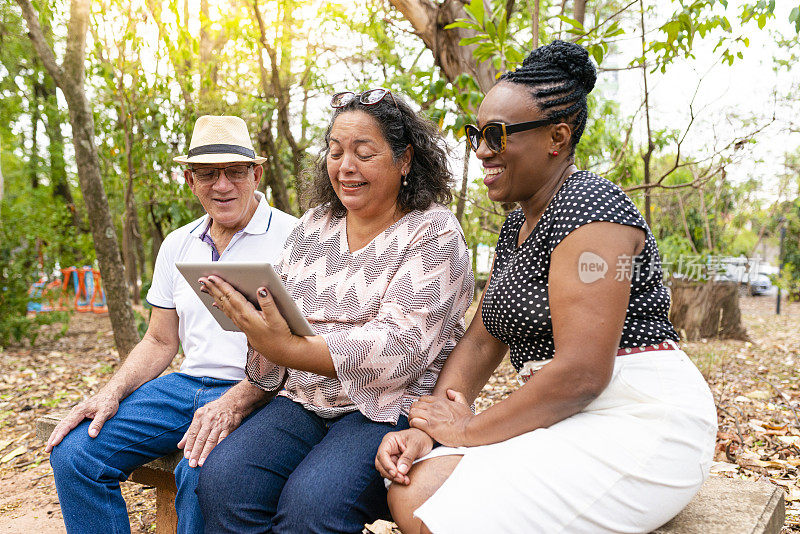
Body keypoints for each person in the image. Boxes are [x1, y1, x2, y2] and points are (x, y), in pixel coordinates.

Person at [376, 41, 718, 534]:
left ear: (557, 137)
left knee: (433, 507)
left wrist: (467, 431)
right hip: (572, 412)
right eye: (475, 134)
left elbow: (581, 373)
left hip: (642, 416)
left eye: (496, 135)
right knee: (417, 487)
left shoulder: (591, 206)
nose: (481, 150)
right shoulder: (516, 228)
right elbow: (481, 338)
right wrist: (429, 429)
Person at [194, 88, 475, 533]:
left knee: (313, 508)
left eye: (364, 153)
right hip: (303, 398)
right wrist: (255, 322)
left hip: (385, 407)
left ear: (405, 160)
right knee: (225, 481)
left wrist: (286, 347)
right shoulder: (315, 225)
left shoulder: (434, 232)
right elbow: (282, 320)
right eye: (336, 151)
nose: (346, 167)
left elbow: (400, 348)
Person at [46, 115, 298, 534]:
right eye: (207, 174)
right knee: (74, 454)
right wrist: (111, 392)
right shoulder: (177, 243)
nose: (222, 185)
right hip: (186, 386)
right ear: (189, 180)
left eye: (235, 172)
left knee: (199, 474)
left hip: (265, 392)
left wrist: (237, 401)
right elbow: (160, 339)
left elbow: (306, 348)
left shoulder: (297, 237)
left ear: (256, 174)